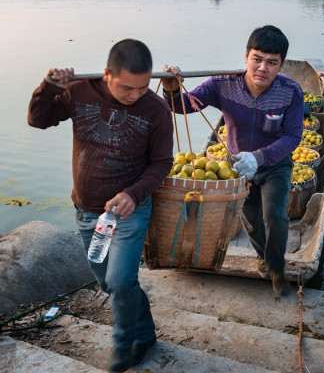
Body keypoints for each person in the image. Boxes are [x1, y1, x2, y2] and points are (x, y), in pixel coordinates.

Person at [28, 39, 174, 372]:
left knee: (121, 281)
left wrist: (133, 195)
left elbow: (161, 163)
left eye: (143, 86)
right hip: (87, 212)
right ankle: (146, 333)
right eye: (127, 87)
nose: (135, 94)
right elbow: (39, 120)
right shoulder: (79, 91)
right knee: (109, 283)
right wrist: (48, 87)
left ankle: (123, 346)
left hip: (130, 211)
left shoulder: (156, 110)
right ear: (107, 73)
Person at [161, 25, 303, 297]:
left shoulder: (291, 93)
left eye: (272, 63)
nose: (263, 68)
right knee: (250, 218)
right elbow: (184, 105)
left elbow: (292, 136)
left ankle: (276, 267)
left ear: (281, 65)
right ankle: (263, 256)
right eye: (257, 59)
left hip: (275, 164)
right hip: (236, 166)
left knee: (274, 216)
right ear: (246, 56)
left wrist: (259, 157)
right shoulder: (222, 83)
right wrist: (171, 89)